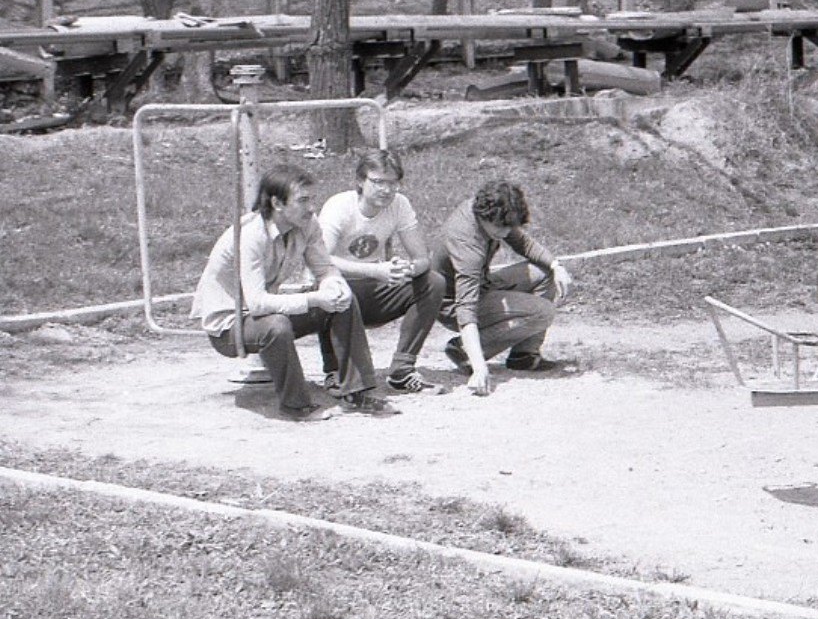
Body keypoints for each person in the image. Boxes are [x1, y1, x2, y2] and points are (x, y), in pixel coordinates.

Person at [190, 165, 399, 421]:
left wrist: (335, 286)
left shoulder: (307, 224)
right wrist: (315, 298)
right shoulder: (250, 235)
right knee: (275, 325)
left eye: (312, 199)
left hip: (264, 313)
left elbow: (325, 268)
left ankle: (356, 393)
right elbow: (257, 304)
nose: (312, 207)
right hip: (229, 326)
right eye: (303, 200)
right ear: (277, 203)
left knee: (341, 300)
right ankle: (295, 406)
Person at [316, 150, 447, 395]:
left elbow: (421, 258)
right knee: (332, 287)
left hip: (373, 289)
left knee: (433, 282)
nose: (386, 190)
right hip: (338, 288)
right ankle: (334, 369)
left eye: (393, 183)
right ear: (360, 181)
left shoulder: (400, 204)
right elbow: (320, 260)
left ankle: (402, 369)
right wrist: (375, 270)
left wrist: (405, 269)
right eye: (378, 182)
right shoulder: (340, 206)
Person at [431, 179, 575, 396]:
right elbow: (466, 307)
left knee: (545, 273)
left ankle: (524, 356)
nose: (506, 232)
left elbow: (524, 244)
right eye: (502, 227)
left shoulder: (491, 212)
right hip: (452, 304)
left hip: (481, 285)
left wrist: (557, 266)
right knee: (542, 312)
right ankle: (465, 351)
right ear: (484, 216)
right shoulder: (466, 241)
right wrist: (479, 367)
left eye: (510, 226)